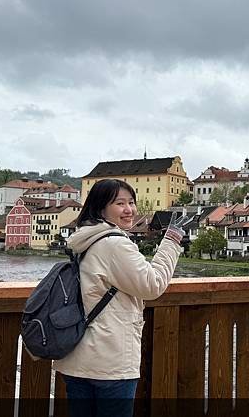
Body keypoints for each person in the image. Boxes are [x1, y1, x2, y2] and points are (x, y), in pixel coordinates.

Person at [53, 179, 187, 417]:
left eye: (131, 202)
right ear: (101, 208)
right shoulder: (114, 244)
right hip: (110, 361)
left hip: (77, 357)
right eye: (120, 203)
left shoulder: (84, 240)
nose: (129, 210)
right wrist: (172, 240)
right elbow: (153, 285)